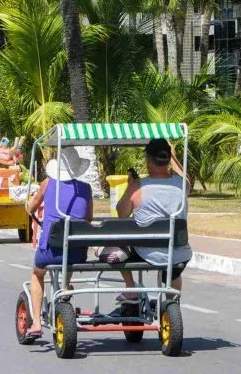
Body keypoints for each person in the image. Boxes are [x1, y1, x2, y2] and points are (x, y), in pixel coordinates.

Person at [102, 138, 192, 302]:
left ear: (148, 160)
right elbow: (185, 176)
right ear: (168, 159)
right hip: (178, 251)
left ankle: (130, 286)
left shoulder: (138, 186)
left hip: (147, 252)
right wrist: (172, 155)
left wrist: (130, 186)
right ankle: (171, 302)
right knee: (173, 270)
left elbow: (121, 213)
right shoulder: (182, 185)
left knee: (115, 243)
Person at [24, 147, 92, 338]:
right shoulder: (85, 188)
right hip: (77, 251)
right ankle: (64, 287)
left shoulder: (47, 183)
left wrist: (30, 206)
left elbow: (31, 206)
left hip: (50, 250)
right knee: (70, 248)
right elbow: (88, 217)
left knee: (37, 273)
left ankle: (36, 322)